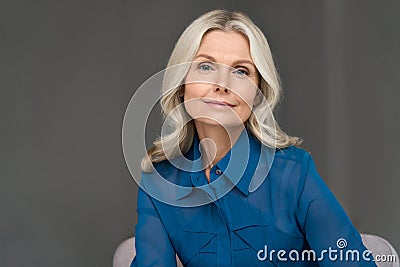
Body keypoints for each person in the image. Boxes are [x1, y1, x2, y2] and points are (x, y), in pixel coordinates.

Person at [130, 9, 377, 267]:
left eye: (241, 71)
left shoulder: (294, 173)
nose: (222, 84)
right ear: (181, 84)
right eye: (205, 66)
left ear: (258, 93)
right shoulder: (158, 181)